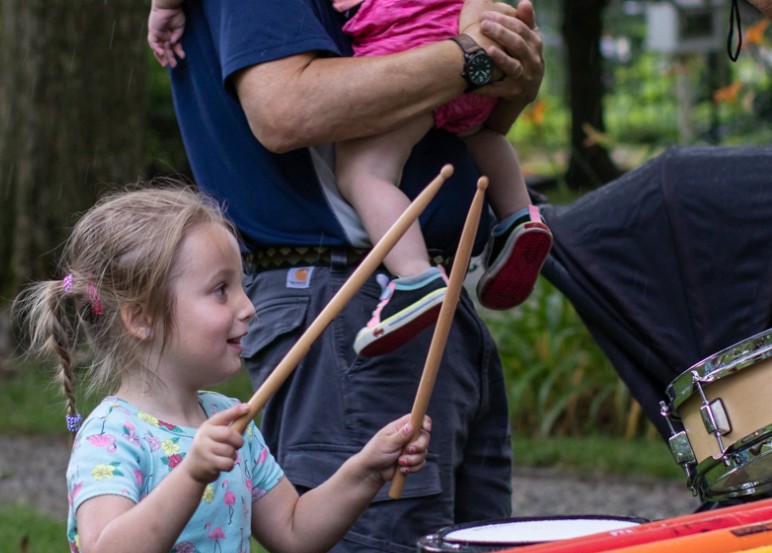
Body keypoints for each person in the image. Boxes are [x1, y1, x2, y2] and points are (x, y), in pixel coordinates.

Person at [16, 183, 430, 553]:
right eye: (220, 290)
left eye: (240, 284)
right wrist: (189, 475)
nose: (249, 305)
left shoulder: (228, 420)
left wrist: (366, 468)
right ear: (141, 317)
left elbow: (294, 529)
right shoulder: (112, 436)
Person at [147, 0, 545, 553]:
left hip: (417, 291)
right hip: (353, 297)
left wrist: (505, 69)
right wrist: (471, 58)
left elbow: (467, 108)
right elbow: (286, 108)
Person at [147, 0, 552, 358]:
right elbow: (286, 111)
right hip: (343, 287)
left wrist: (500, 70)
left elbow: (287, 112)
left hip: (392, 288)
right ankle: (518, 216)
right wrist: (482, 57)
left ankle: (416, 278)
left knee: (365, 173)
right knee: (480, 133)